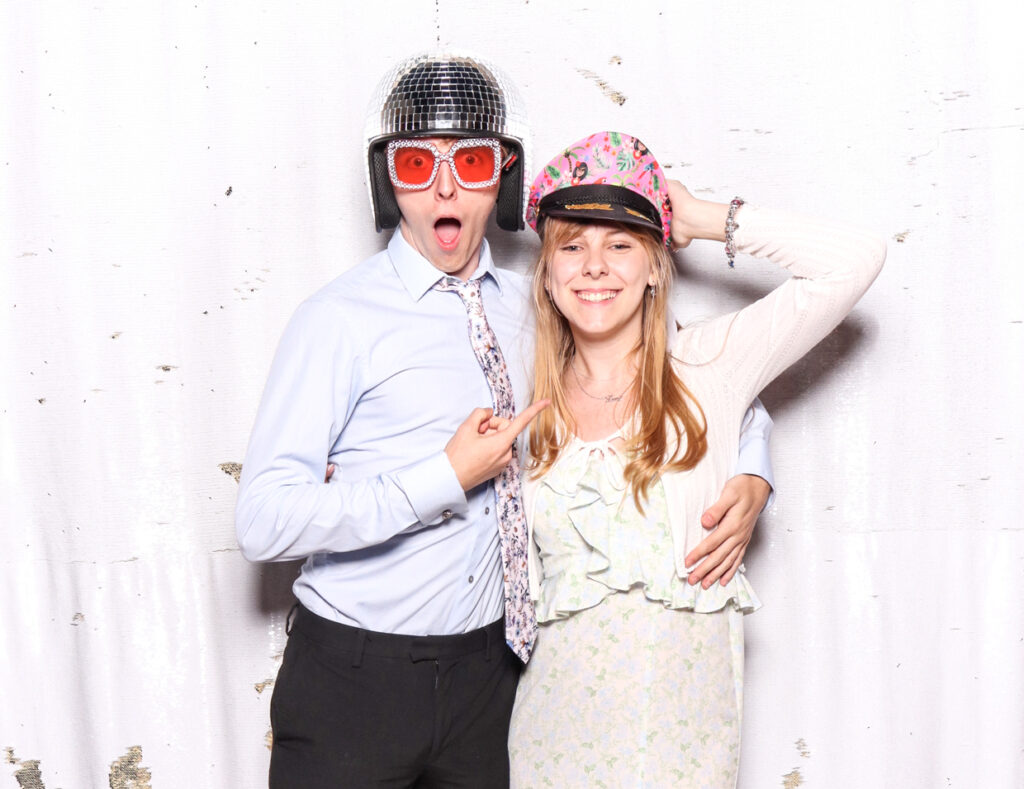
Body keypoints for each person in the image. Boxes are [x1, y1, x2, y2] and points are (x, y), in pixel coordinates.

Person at [235, 55, 774, 788]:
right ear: (390, 179)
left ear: (505, 177)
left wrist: (753, 464)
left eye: (474, 160)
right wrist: (440, 478)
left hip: (492, 678)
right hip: (355, 679)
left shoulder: (542, 305)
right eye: (420, 162)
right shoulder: (336, 321)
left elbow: (681, 370)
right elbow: (264, 519)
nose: (446, 186)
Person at [507, 131, 885, 787]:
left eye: (621, 244)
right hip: (548, 745)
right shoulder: (522, 397)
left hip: (676, 754)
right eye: (572, 246)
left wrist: (704, 218)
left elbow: (854, 261)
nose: (594, 265)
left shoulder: (709, 365)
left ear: (656, 265)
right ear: (547, 273)